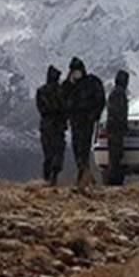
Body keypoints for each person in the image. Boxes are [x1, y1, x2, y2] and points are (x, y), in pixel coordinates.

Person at [62, 56, 106, 190]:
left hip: (87, 122)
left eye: (77, 71)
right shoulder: (69, 85)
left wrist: (93, 116)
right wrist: (69, 84)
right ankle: (86, 177)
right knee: (77, 149)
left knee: (84, 149)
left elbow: (100, 101)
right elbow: (62, 99)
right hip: (75, 122)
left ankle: (83, 179)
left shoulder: (91, 83)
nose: (75, 73)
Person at [36, 65, 67, 186]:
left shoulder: (41, 91)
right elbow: (65, 108)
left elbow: (41, 109)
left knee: (48, 153)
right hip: (57, 126)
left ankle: (47, 178)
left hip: (47, 126)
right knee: (57, 152)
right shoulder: (61, 91)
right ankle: (52, 176)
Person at [105, 70, 129, 186]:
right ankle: (113, 180)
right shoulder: (119, 94)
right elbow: (119, 113)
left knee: (115, 155)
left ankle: (114, 180)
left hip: (113, 128)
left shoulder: (115, 92)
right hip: (116, 129)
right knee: (115, 155)